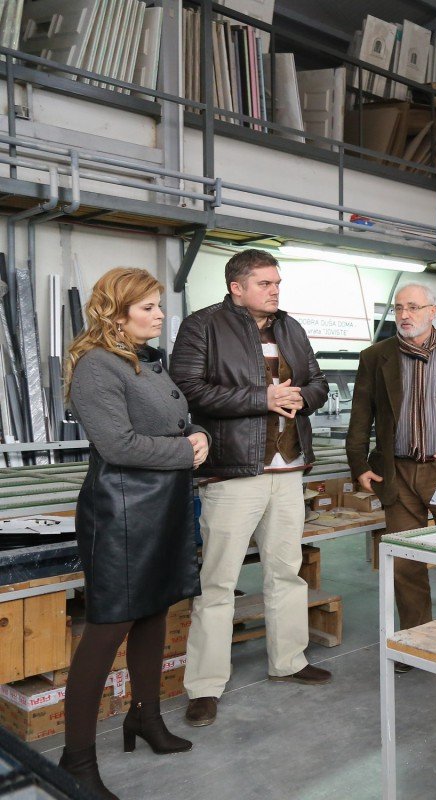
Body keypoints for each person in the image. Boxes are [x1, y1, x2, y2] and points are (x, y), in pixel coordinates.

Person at [170, 249, 331, 728]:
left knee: (287, 573)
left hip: (288, 470)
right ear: (236, 288)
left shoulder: (290, 327)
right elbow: (186, 390)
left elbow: (319, 383)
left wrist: (301, 396)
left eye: (277, 282)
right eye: (264, 283)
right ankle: (204, 686)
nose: (275, 290)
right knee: (218, 583)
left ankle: (289, 660)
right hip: (234, 472)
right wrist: (261, 397)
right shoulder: (203, 326)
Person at [62, 268, 207, 799]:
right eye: (148, 307)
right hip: (121, 512)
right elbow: (118, 444)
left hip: (163, 506)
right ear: (116, 313)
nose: (160, 315)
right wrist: (184, 451)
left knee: (154, 613)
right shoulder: (96, 366)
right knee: (107, 630)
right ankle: (76, 759)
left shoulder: (145, 361)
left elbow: (172, 421)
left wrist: (197, 433)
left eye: (158, 306)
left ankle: (145, 718)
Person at [346, 283, 436, 671]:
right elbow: (360, 415)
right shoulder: (376, 357)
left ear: (432, 311)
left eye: (413, 307)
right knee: (406, 561)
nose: (405, 315)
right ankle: (417, 640)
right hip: (396, 471)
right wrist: (359, 464)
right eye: (399, 308)